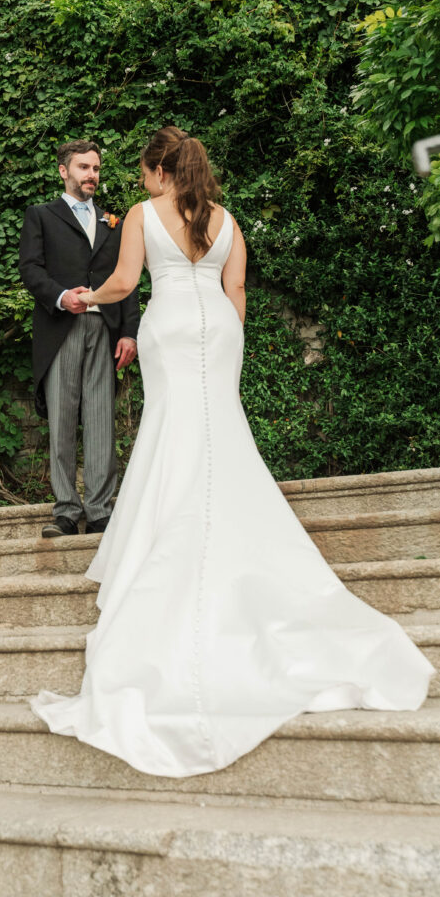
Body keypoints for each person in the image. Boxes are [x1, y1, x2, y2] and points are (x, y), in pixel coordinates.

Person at [30, 126, 434, 777]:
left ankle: (172, 538)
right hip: (218, 332)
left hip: (168, 328)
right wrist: (225, 343)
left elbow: (126, 281)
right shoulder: (226, 220)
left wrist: (84, 296)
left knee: (172, 432)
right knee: (219, 434)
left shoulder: (140, 214)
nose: (139, 181)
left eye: (143, 171)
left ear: (161, 171)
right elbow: (236, 293)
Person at [19, 140, 140, 538]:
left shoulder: (113, 221)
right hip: (61, 328)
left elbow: (128, 280)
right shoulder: (41, 215)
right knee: (63, 420)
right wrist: (60, 296)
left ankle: (101, 511)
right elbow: (30, 268)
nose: (92, 175)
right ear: (63, 171)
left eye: (96, 168)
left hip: (104, 329)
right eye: (84, 167)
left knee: (102, 418)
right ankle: (67, 512)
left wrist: (128, 332)